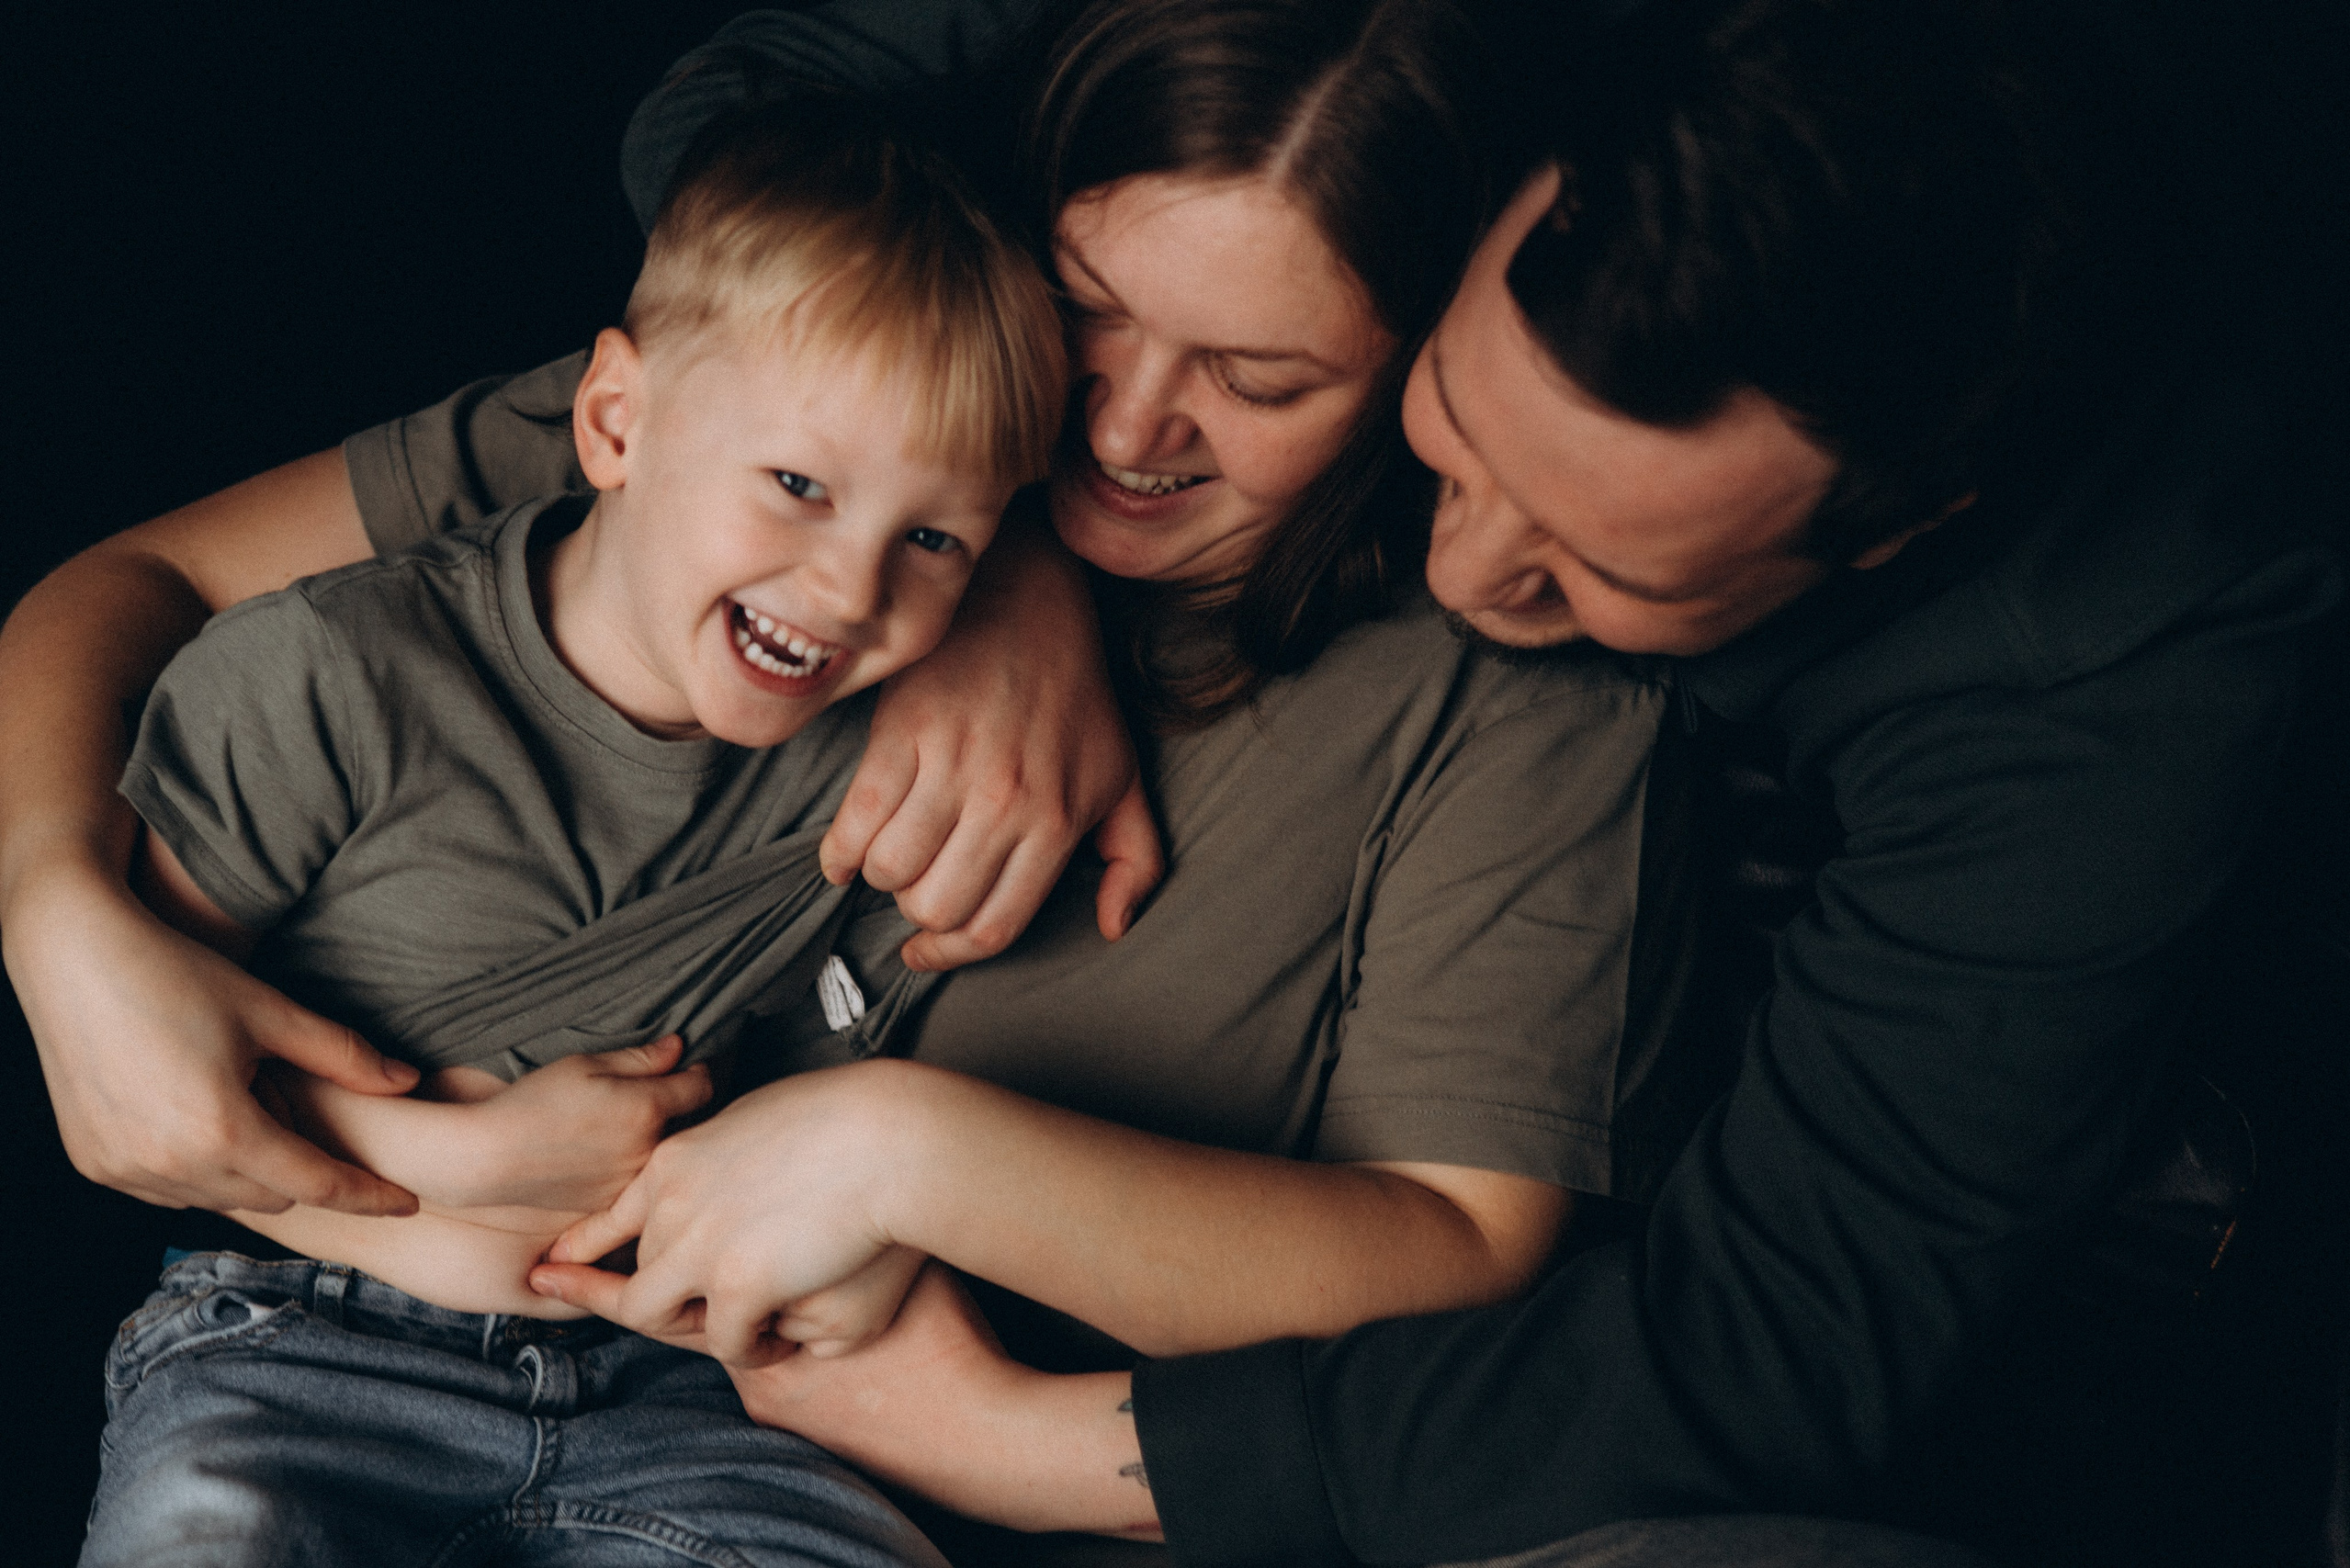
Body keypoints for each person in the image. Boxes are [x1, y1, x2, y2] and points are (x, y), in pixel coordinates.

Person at [513, 3, 2342, 1566]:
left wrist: (1022, 1440)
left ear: (1888, 540)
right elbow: (750, 107)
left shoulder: (2116, 653)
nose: (1468, 579)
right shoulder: (1373, 104)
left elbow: (1773, 1348)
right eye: (1453, 434)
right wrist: (995, 553)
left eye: (1602, 573)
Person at [9, 0, 1708, 1562]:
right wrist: (55, 902)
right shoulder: (806, 418)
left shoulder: (1498, 699)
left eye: (1262, 382)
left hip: (807, 1463)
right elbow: (133, 595)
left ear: (1429, 372)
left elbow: (1461, 1254)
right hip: (359, 1335)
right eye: (1089, 315)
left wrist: (909, 1154)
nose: (1120, 430)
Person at [77, 101, 1068, 1566]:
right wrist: (451, 1160)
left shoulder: (888, 780)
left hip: (694, 1399)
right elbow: (155, 1100)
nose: (851, 588)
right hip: (299, 1349)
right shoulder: (327, 680)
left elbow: (849, 1111)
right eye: (798, 486)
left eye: (933, 541)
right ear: (614, 422)